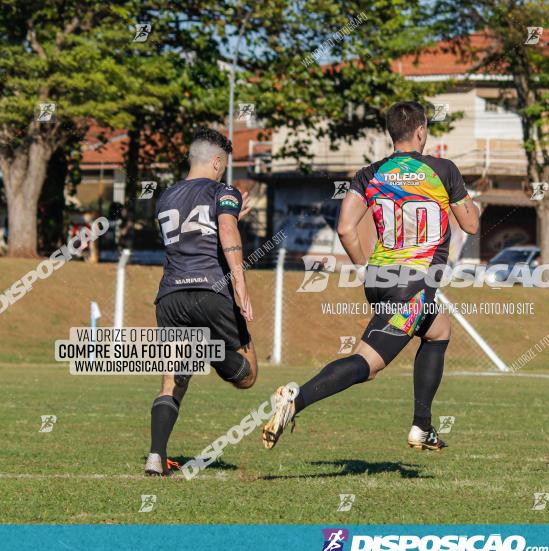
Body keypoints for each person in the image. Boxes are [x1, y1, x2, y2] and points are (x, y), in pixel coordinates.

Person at [261, 101, 480, 451]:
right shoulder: (444, 170)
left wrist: (365, 267)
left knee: (439, 330)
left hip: (379, 279)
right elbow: (471, 224)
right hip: (414, 285)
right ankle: (294, 400)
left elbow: (346, 229)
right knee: (367, 364)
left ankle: (422, 427)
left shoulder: (369, 174)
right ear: (421, 131)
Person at [145, 128, 257, 476]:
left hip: (171, 296)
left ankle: (155, 456)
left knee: (172, 380)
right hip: (212, 290)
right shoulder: (223, 191)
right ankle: (207, 349)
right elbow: (224, 230)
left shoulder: (165, 198)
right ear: (217, 161)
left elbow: (189, 236)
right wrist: (240, 284)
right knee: (248, 374)